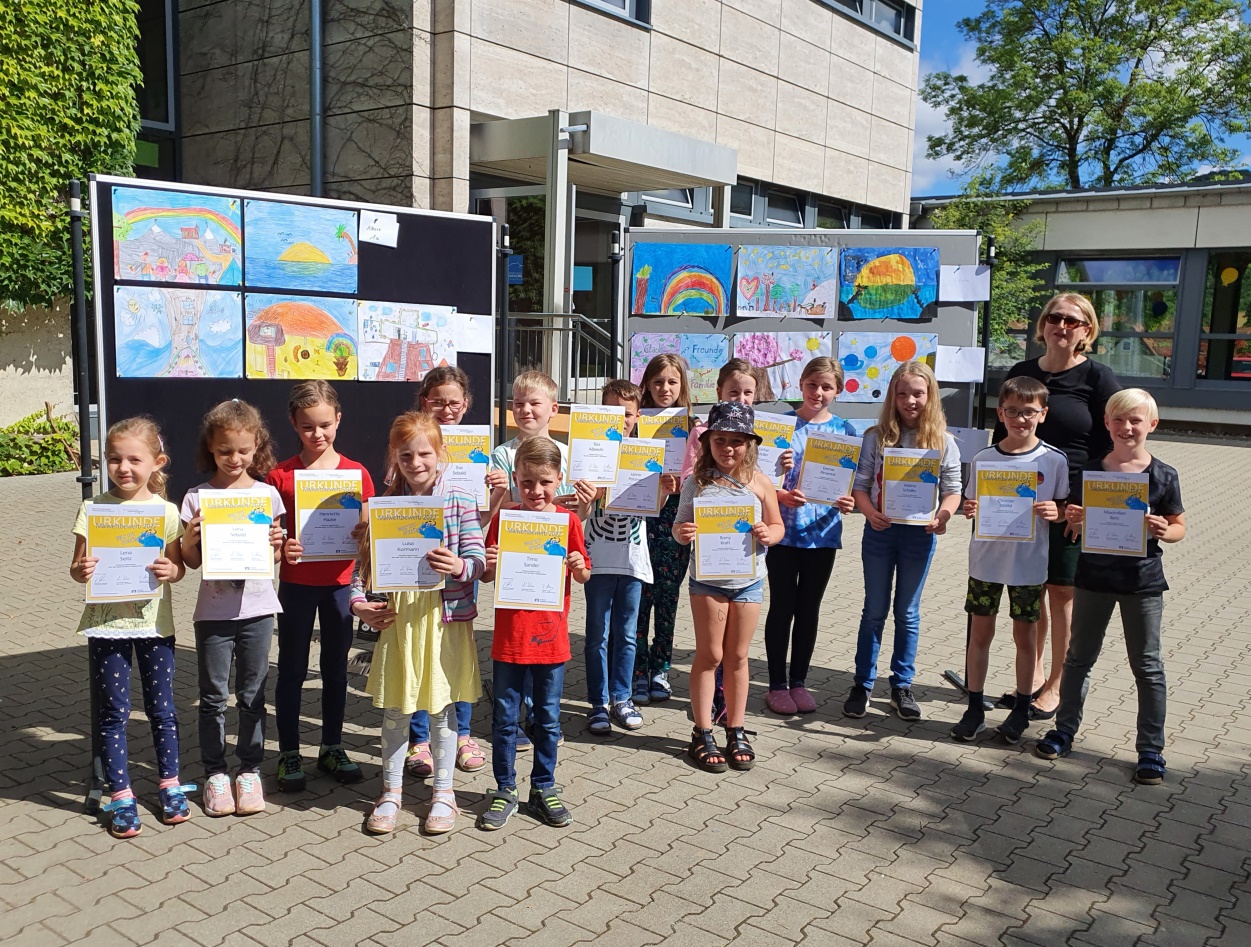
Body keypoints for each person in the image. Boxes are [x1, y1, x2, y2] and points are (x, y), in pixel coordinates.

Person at [1035, 389, 1185, 785]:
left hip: (1142, 582)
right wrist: (1074, 518)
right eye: (1118, 419)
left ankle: (1150, 748)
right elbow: (1072, 520)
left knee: (1147, 666)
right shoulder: (1090, 471)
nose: (1127, 427)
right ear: (1106, 423)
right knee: (1078, 659)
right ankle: (1064, 731)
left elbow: (1179, 527)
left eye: (1136, 420)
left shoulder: (1163, 475)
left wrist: (1165, 530)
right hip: (1093, 578)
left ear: (1152, 425)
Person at [350, 413, 486, 833]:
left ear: (441, 452)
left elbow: (478, 560)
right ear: (395, 457)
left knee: (442, 711)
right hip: (399, 622)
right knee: (396, 710)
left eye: (424, 453)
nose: (416, 463)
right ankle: (391, 792)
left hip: (444, 620)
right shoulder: (385, 505)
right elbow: (360, 569)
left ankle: (444, 794)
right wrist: (359, 605)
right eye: (406, 455)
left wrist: (459, 566)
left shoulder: (460, 500)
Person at [999, 293, 1120, 718]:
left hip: (1071, 507)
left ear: (1087, 330)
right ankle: (1030, 678)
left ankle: (1057, 684)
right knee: (1027, 589)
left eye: (1073, 320)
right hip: (1021, 504)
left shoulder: (1098, 378)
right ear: (1043, 324)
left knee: (1062, 593)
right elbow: (1001, 435)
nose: (1062, 326)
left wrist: (1085, 508)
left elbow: (1112, 447)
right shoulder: (1022, 372)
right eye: (1054, 317)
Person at [69, 416, 189, 838]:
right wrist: (83, 570)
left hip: (155, 625)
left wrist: (171, 571)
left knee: (162, 710)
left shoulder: (166, 512)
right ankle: (121, 795)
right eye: (115, 459)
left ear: (157, 462)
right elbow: (75, 568)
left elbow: (178, 569)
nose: (124, 468)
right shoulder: (93, 509)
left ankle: (170, 785)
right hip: (108, 626)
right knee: (114, 712)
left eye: (134, 460)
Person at [268, 381, 376, 792]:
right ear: (293, 424)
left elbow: (367, 535)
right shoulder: (279, 476)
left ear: (339, 420)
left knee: (335, 669)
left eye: (325, 425)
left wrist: (365, 532)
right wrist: (281, 547)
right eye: (308, 426)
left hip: (340, 586)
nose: (318, 434)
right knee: (292, 669)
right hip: (296, 584)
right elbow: (269, 539)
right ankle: (289, 752)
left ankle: (332, 746)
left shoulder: (357, 474)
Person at [480, 437, 591, 830]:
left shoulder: (568, 522)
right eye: (527, 482)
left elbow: (584, 573)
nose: (536, 491)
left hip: (551, 641)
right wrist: (490, 563)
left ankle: (543, 786)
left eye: (545, 482)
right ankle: (504, 788)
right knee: (505, 720)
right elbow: (487, 575)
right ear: (515, 479)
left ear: (559, 479)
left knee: (547, 719)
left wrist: (578, 565)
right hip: (509, 639)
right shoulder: (505, 519)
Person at [180, 400, 285, 816]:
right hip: (213, 613)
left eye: (243, 450)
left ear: (257, 446)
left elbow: (272, 558)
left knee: (253, 694)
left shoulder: (267, 495)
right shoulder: (197, 497)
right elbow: (190, 562)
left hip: (258, 610)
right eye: (225, 451)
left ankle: (250, 770)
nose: (234, 458)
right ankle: (215, 773)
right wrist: (189, 539)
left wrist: (276, 547)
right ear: (211, 446)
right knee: (212, 697)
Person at [951, 377, 1069, 744]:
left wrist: (1057, 512)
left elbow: (1062, 508)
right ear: (1000, 413)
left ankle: (1021, 709)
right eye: (1013, 411)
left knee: (1026, 637)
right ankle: (974, 707)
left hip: (1028, 566)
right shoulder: (984, 458)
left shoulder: (1053, 460)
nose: (1021, 419)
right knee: (980, 635)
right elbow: (971, 503)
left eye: (1029, 412)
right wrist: (969, 509)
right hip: (985, 563)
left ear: (1043, 414)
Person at [673, 402, 785, 772]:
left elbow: (778, 526)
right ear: (707, 442)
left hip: (748, 581)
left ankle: (735, 728)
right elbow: (678, 526)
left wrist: (769, 534)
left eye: (736, 441)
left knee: (738, 656)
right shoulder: (697, 482)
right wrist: (683, 532)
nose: (727, 448)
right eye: (719, 440)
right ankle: (702, 731)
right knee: (710, 655)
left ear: (749, 444)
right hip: (707, 581)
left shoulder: (760, 482)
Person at [846, 361, 962, 721]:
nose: (910, 400)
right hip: (880, 532)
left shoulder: (943, 441)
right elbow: (860, 485)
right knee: (874, 610)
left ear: (931, 396)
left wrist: (943, 516)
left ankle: (901, 685)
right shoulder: (875, 437)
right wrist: (869, 512)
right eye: (902, 394)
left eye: (918, 393)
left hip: (919, 536)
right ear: (892, 397)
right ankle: (863, 684)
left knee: (907, 613)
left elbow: (953, 490)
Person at [405, 366, 487, 778]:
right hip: (413, 590)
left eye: (455, 402)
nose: (447, 408)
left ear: (466, 404)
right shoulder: (403, 465)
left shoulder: (475, 456)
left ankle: (462, 734)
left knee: (457, 663)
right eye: (438, 401)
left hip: (456, 586)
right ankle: (419, 739)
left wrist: (497, 492)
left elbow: (478, 540)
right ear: (424, 402)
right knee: (419, 663)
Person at [765, 357, 859, 716]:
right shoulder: (782, 425)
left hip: (823, 535)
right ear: (801, 384)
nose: (818, 392)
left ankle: (799, 681)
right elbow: (760, 478)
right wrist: (780, 491)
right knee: (782, 607)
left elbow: (854, 483)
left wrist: (850, 501)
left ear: (837, 391)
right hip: (784, 532)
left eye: (826, 387)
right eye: (812, 384)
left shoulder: (846, 430)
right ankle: (776, 684)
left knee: (809, 610)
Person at [487, 369, 569, 752]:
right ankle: (513, 715)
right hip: (516, 566)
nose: (525, 410)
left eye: (534, 403)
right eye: (518, 403)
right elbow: (501, 510)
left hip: (549, 567)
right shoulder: (502, 455)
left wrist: (584, 503)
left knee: (545, 640)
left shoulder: (566, 454)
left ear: (553, 408)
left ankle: (540, 715)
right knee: (517, 640)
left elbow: (572, 516)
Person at [578, 380, 662, 734]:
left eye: (626, 414)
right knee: (597, 634)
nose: (620, 420)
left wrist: (664, 490)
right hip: (597, 556)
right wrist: (589, 496)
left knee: (627, 634)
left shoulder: (647, 454)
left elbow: (653, 508)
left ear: (638, 415)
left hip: (633, 558)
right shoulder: (588, 454)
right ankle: (598, 702)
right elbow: (580, 513)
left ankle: (622, 698)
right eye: (612, 413)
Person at [632, 354, 693, 705]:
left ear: (682, 384)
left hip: (676, 522)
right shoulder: (636, 423)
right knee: (640, 597)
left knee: (667, 598)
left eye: (672, 381)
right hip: (641, 520)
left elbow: (703, 472)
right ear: (647, 385)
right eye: (657, 382)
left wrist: (683, 482)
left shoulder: (694, 427)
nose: (664, 388)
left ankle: (661, 669)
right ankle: (638, 670)